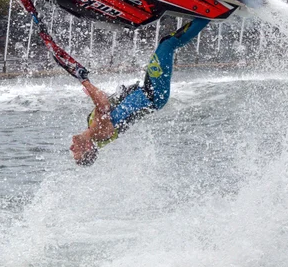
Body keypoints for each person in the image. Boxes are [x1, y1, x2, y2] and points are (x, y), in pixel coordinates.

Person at [70, 18, 210, 166]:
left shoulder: (93, 128)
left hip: (150, 91)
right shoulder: (100, 134)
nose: (72, 148)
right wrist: (84, 80)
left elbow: (108, 102)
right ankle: (208, 15)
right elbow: (103, 106)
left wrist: (92, 90)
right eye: (76, 152)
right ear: (88, 148)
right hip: (154, 93)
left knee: (167, 43)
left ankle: (204, 16)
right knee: (168, 44)